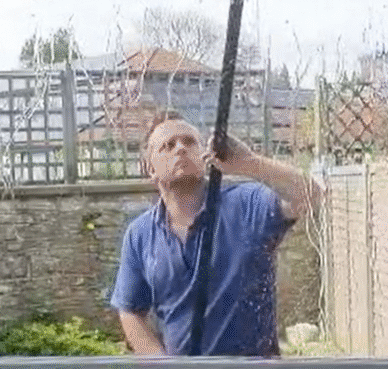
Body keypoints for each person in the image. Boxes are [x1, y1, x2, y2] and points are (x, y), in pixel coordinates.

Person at [109, 110, 322, 357]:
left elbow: (311, 195)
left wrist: (248, 163)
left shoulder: (247, 204)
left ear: (204, 154)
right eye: (167, 145)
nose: (180, 148)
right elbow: (130, 311)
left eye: (189, 142)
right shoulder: (140, 235)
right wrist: (161, 363)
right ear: (150, 169)